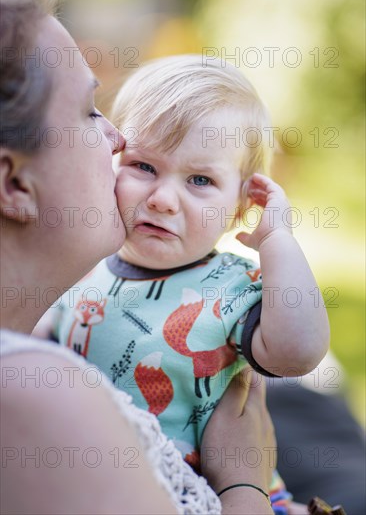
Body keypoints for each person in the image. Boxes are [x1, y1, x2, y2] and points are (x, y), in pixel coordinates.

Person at [0, 0, 276, 515]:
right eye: (88, 112)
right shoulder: (38, 398)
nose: (117, 140)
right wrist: (244, 480)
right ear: (13, 184)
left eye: (199, 179)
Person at [50, 56, 329, 513]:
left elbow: (298, 352)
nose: (161, 200)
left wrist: (277, 240)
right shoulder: (82, 271)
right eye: (143, 166)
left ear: (242, 206)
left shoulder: (231, 288)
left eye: (199, 180)